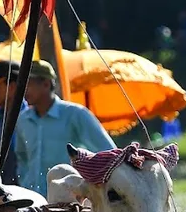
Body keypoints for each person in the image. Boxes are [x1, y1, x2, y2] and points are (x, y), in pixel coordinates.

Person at [14, 60, 114, 197]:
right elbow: (22, 157)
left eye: (28, 85)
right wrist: (25, 182)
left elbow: (108, 152)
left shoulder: (76, 114)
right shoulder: (22, 120)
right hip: (32, 200)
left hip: (71, 201)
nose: (23, 91)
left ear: (46, 84)